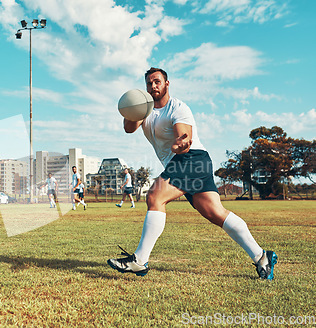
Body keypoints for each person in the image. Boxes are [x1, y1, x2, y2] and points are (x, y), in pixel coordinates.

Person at [107, 68, 277, 280]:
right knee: (215, 213)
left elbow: (185, 136)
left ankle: (139, 261)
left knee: (155, 196)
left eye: (157, 82)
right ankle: (262, 256)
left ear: (167, 84)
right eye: (149, 83)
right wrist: (132, 108)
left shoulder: (177, 107)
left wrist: (181, 144)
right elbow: (129, 128)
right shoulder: (145, 110)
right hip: (192, 163)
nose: (153, 86)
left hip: (191, 158)